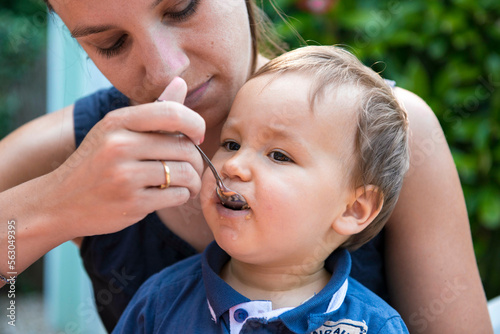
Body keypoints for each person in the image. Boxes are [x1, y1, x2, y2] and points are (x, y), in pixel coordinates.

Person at [0, 0, 492, 333]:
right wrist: (52, 205)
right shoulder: (66, 151)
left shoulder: (390, 138)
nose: (167, 67)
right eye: (111, 42)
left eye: (182, 7)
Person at [113, 45, 411, 333]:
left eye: (279, 155)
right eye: (231, 144)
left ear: (353, 209)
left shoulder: (374, 325)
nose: (234, 166)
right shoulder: (160, 303)